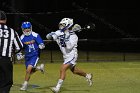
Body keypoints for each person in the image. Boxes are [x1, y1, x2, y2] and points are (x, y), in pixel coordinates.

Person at [46, 18, 93, 93]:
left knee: (63, 69)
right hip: (65, 55)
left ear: (68, 26)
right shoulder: (59, 32)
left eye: (63, 25)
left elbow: (69, 47)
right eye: (60, 25)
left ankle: (57, 88)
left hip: (72, 55)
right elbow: (48, 37)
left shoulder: (74, 36)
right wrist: (51, 35)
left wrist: (66, 38)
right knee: (74, 71)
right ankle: (87, 75)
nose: (61, 26)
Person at [17, 21, 45, 91]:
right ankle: (39, 68)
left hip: (35, 55)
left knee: (28, 70)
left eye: (28, 28)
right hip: (27, 56)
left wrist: (41, 45)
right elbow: (19, 47)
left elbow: (41, 43)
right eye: (25, 28)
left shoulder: (35, 35)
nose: (27, 30)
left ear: (31, 28)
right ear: (22, 29)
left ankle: (25, 85)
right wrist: (19, 54)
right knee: (29, 71)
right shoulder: (22, 37)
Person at [0, 10, 23, 93]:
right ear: (5, 20)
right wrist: (13, 52)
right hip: (6, 60)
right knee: (5, 84)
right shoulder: (12, 31)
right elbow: (20, 46)